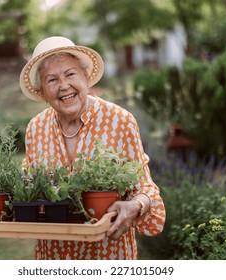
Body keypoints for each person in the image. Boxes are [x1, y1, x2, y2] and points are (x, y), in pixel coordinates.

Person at [19, 36, 165, 260]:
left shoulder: (119, 121)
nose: (64, 86)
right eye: (52, 80)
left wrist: (135, 205)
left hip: (108, 255)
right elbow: (29, 186)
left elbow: (146, 189)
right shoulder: (36, 128)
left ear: (86, 78)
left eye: (70, 74)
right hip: (53, 257)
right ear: (42, 93)